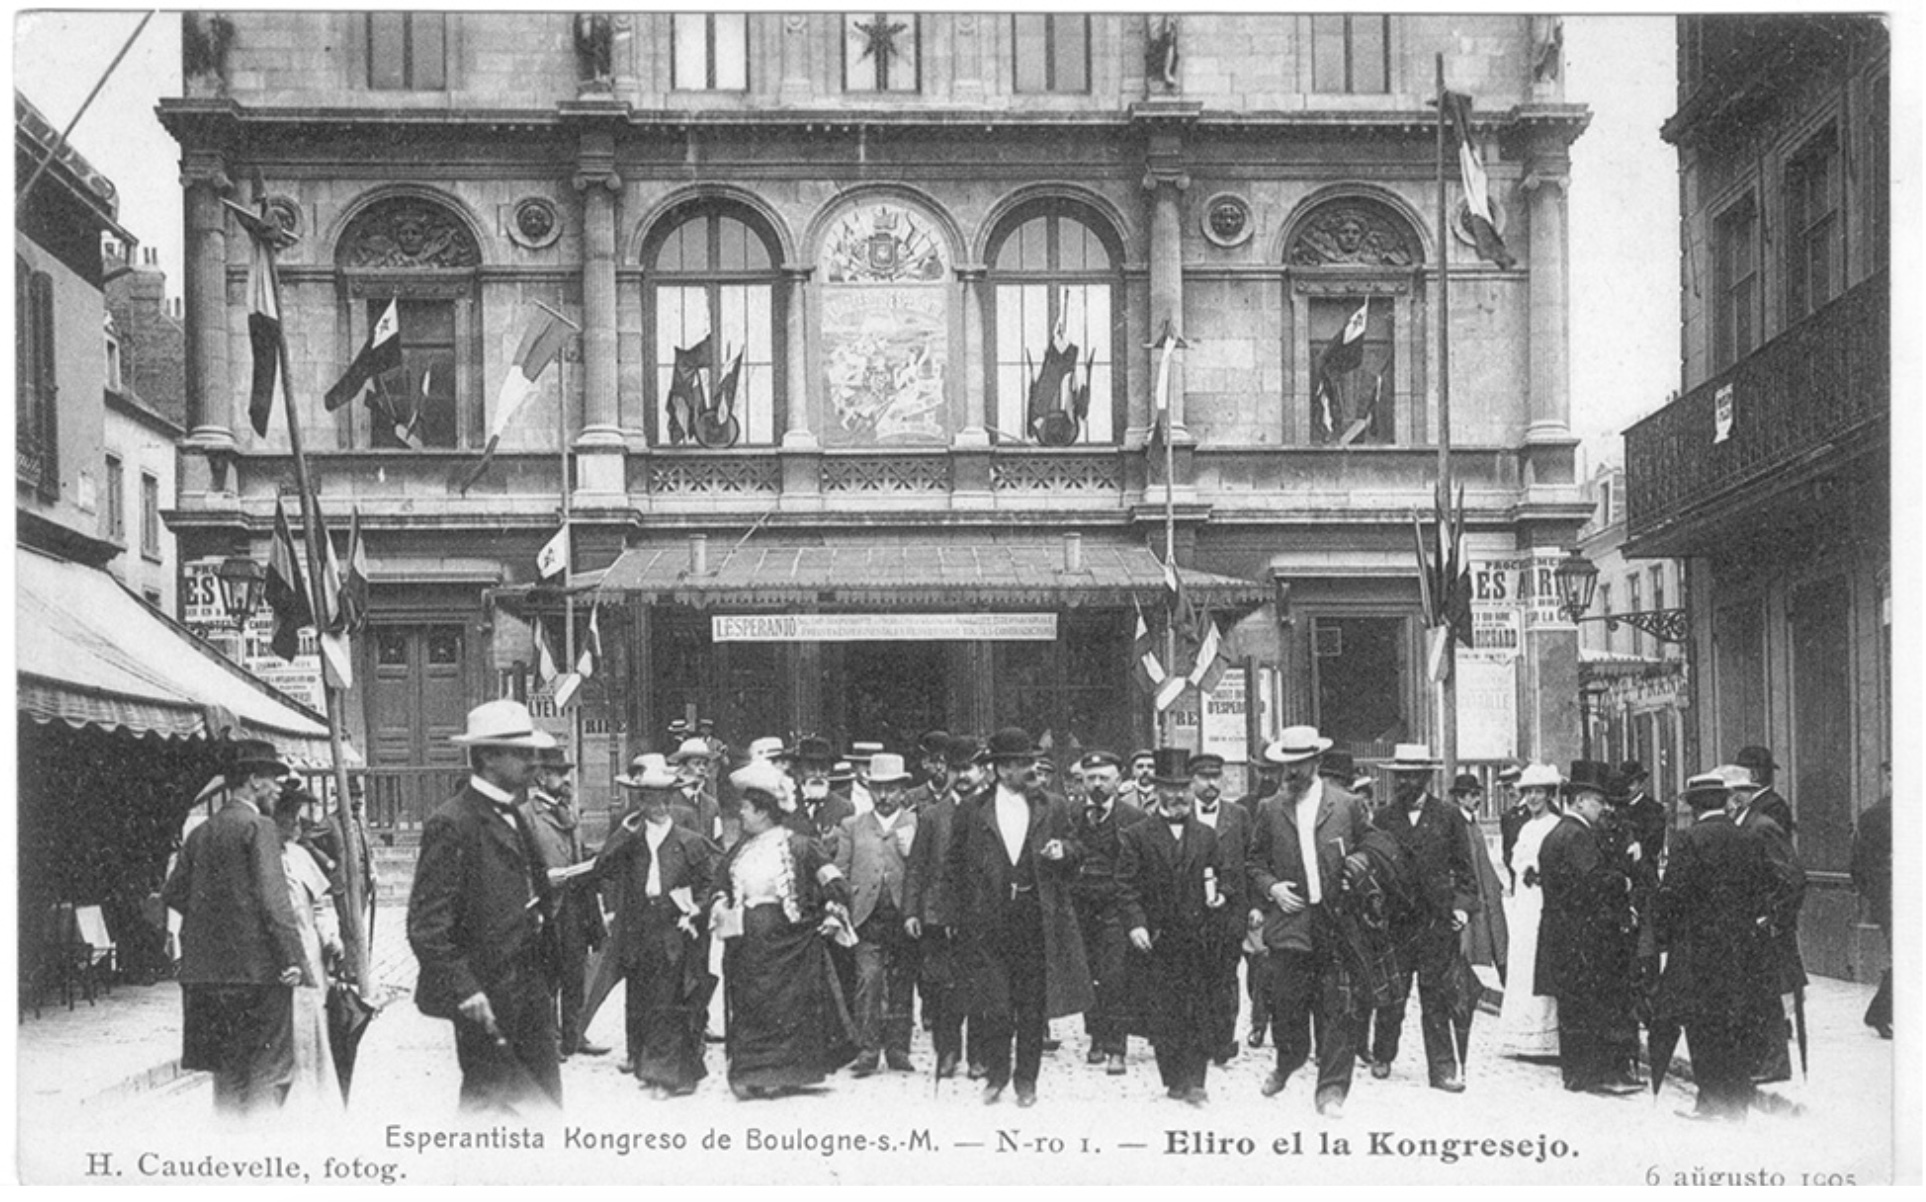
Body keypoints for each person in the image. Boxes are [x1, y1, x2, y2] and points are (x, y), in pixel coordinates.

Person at [407, 700, 563, 1114]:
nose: (534, 762)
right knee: (490, 1103)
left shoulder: (516, 813)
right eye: (521, 753)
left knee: (543, 1102)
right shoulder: (453, 823)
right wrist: (467, 990)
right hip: (487, 993)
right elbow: (426, 926)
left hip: (530, 987)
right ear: (489, 756)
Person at [944, 726, 1092, 1107]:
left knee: (1031, 1007)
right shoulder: (971, 811)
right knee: (993, 1007)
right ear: (1000, 769)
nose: (1030, 769)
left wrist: (1065, 851)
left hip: (1035, 920)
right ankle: (997, 1075)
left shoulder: (1053, 806)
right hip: (987, 923)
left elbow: (1078, 848)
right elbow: (953, 867)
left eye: (1030, 761)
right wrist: (955, 918)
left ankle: (1027, 1082)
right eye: (1020, 763)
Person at [162, 739, 307, 1119]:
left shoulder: (201, 833)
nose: (278, 787)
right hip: (258, 977)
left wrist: (216, 922)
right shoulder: (260, 827)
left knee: (226, 1077)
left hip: (207, 980)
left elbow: (174, 893)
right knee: (268, 1072)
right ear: (254, 780)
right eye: (274, 779)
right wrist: (293, 959)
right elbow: (275, 904)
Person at [710, 761, 859, 1099]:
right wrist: (720, 904)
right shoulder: (739, 851)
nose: (741, 816)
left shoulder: (800, 847)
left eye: (746, 809)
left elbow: (835, 884)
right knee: (750, 1008)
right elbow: (720, 884)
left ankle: (784, 1072)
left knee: (786, 1011)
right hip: (747, 948)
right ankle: (749, 1072)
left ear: (763, 812)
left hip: (789, 946)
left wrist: (834, 914)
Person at [1246, 726, 1375, 1118]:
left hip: (1336, 922)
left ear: (1315, 763)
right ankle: (1288, 1062)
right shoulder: (1270, 809)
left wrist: (1358, 864)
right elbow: (1253, 862)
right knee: (1287, 1006)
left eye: (1298, 765)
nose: (1290, 773)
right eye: (1285, 765)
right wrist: (1272, 890)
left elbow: (1372, 846)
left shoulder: (1348, 805)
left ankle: (1331, 1091)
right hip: (1290, 923)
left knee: (1339, 1007)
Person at [1654, 767, 1781, 1121]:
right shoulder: (1747, 836)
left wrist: (1665, 936)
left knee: (1702, 1026)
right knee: (1734, 1022)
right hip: (1740, 947)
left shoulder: (1687, 840)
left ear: (1694, 806)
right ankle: (1737, 1105)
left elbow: (1672, 896)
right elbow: (1765, 885)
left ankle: (1710, 1101)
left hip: (1696, 951)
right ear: (1723, 802)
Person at [593, 755, 715, 1097]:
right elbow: (603, 868)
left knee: (669, 1001)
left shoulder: (688, 840)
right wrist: (623, 834)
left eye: (664, 797)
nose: (659, 805)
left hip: (674, 928)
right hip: (638, 927)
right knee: (642, 997)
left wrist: (696, 911)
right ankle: (646, 1066)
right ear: (641, 800)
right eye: (650, 797)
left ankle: (667, 1075)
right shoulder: (631, 838)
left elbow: (707, 884)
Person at [1118, 748, 1230, 1105]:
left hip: (1199, 939)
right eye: (1171, 787)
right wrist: (1135, 924)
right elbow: (1126, 886)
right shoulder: (1137, 835)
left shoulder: (1206, 836)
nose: (1179, 795)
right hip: (1158, 939)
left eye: (1184, 787)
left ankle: (1196, 1080)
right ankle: (1174, 1079)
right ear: (1157, 788)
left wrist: (1221, 897)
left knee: (1199, 1009)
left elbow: (1224, 877)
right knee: (1165, 1012)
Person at [1365, 745, 1477, 1092]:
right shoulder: (1382, 818)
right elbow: (1370, 867)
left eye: (1414, 775)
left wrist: (1460, 907)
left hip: (1435, 922)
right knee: (1392, 996)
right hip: (1395, 924)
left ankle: (1442, 1069)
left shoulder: (1448, 816)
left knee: (1436, 997)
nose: (1407, 782)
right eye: (1401, 776)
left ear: (1427, 777)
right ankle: (1383, 1053)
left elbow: (1466, 873)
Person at [1536, 760, 1639, 1096]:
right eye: (1597, 802)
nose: (1602, 808)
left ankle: (1576, 1075)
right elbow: (1593, 882)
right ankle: (1590, 1075)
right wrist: (1622, 881)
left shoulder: (1558, 833)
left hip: (1561, 933)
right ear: (1579, 801)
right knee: (1587, 1004)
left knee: (1572, 1006)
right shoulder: (1578, 835)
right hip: (1581, 934)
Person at [522, 745, 609, 1059]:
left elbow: (578, 849)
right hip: (546, 906)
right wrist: (544, 879)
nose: (564, 779)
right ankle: (547, 1041)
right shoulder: (526, 815)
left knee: (575, 972)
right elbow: (518, 864)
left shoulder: (567, 810)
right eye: (558, 773)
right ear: (542, 777)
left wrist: (595, 860)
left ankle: (574, 1036)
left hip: (574, 902)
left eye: (564, 773)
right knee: (548, 976)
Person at [836, 753, 921, 1075]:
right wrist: (842, 909)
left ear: (902, 790)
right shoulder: (853, 827)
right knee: (868, 982)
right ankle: (868, 1050)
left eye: (891, 789)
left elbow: (925, 871)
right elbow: (841, 872)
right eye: (878, 789)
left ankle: (898, 1050)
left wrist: (912, 852)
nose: (884, 796)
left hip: (904, 916)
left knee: (902, 984)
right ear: (869, 790)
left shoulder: (917, 824)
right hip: (866, 918)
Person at [905, 734, 983, 1080]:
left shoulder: (994, 811)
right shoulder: (933, 815)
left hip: (983, 916)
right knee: (942, 988)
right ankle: (948, 1053)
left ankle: (980, 1057)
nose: (963, 776)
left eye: (970, 768)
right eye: (956, 769)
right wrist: (911, 911)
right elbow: (917, 867)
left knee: (981, 987)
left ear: (984, 771)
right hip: (938, 914)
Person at [1064, 749, 1146, 1075]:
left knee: (1115, 976)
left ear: (1119, 781)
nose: (1097, 784)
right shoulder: (1069, 815)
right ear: (1082, 781)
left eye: (1104, 778)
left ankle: (1117, 1048)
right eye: (1091, 778)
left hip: (1115, 907)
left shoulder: (1133, 818)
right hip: (1080, 907)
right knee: (1088, 974)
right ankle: (1095, 1037)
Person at [1727, 765, 1806, 1088]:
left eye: (1726, 796)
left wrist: (1770, 916)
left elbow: (1792, 877)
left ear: (1738, 796)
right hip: (1748, 925)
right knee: (1753, 993)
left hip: (1764, 927)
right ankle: (1758, 1059)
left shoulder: (1762, 827)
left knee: (1767, 994)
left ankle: (1773, 1064)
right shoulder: (1743, 825)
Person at [270, 784, 344, 1114]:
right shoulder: (264, 858)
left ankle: (315, 1100)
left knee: (312, 1024)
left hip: (310, 950)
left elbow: (319, 905)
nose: (298, 824)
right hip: (279, 956)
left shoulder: (300, 856)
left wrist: (331, 937)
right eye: (291, 816)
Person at [1187, 751, 1251, 1066]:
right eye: (1204, 777)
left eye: (1216, 777)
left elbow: (1249, 862)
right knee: (1193, 974)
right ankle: (1197, 1038)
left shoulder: (1237, 816)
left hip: (1228, 912)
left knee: (1226, 976)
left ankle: (1223, 1041)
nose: (1211, 784)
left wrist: (1245, 903)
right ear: (1191, 781)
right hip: (1189, 911)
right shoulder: (1181, 813)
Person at [1495, 763, 1563, 1058]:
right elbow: (1514, 860)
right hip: (1525, 902)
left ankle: (1547, 1036)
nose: (1534, 798)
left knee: (1543, 959)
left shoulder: (1555, 825)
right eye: (1529, 792)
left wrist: (1541, 873)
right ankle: (1522, 1035)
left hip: (1545, 902)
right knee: (1523, 959)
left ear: (1549, 795)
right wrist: (1524, 870)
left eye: (1539, 792)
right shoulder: (1524, 827)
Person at [1233, 757, 1283, 1048]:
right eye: (1263, 770)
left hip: (1286, 896)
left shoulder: (1289, 804)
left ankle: (1272, 1021)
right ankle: (1260, 1021)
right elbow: (1245, 860)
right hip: (1256, 898)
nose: (1267, 776)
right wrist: (1253, 903)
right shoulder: (1245, 807)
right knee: (1259, 964)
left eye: (1272, 771)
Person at [1449, 773, 1509, 988]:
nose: (1477, 799)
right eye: (1472, 795)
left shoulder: (1473, 823)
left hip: (1486, 894)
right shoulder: (1456, 824)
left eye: (1477, 794)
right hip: (1470, 896)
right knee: (1468, 944)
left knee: (1497, 941)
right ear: (1460, 798)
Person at [1852, 761, 1892, 1039]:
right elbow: (1859, 867)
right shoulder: (1875, 817)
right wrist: (1880, 895)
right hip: (1893, 898)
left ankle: (1879, 1011)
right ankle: (1880, 1012)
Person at [671, 737, 722, 842]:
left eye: (705, 764)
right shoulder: (669, 801)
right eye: (697, 763)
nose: (702, 768)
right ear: (682, 768)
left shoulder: (711, 804)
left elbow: (718, 844)